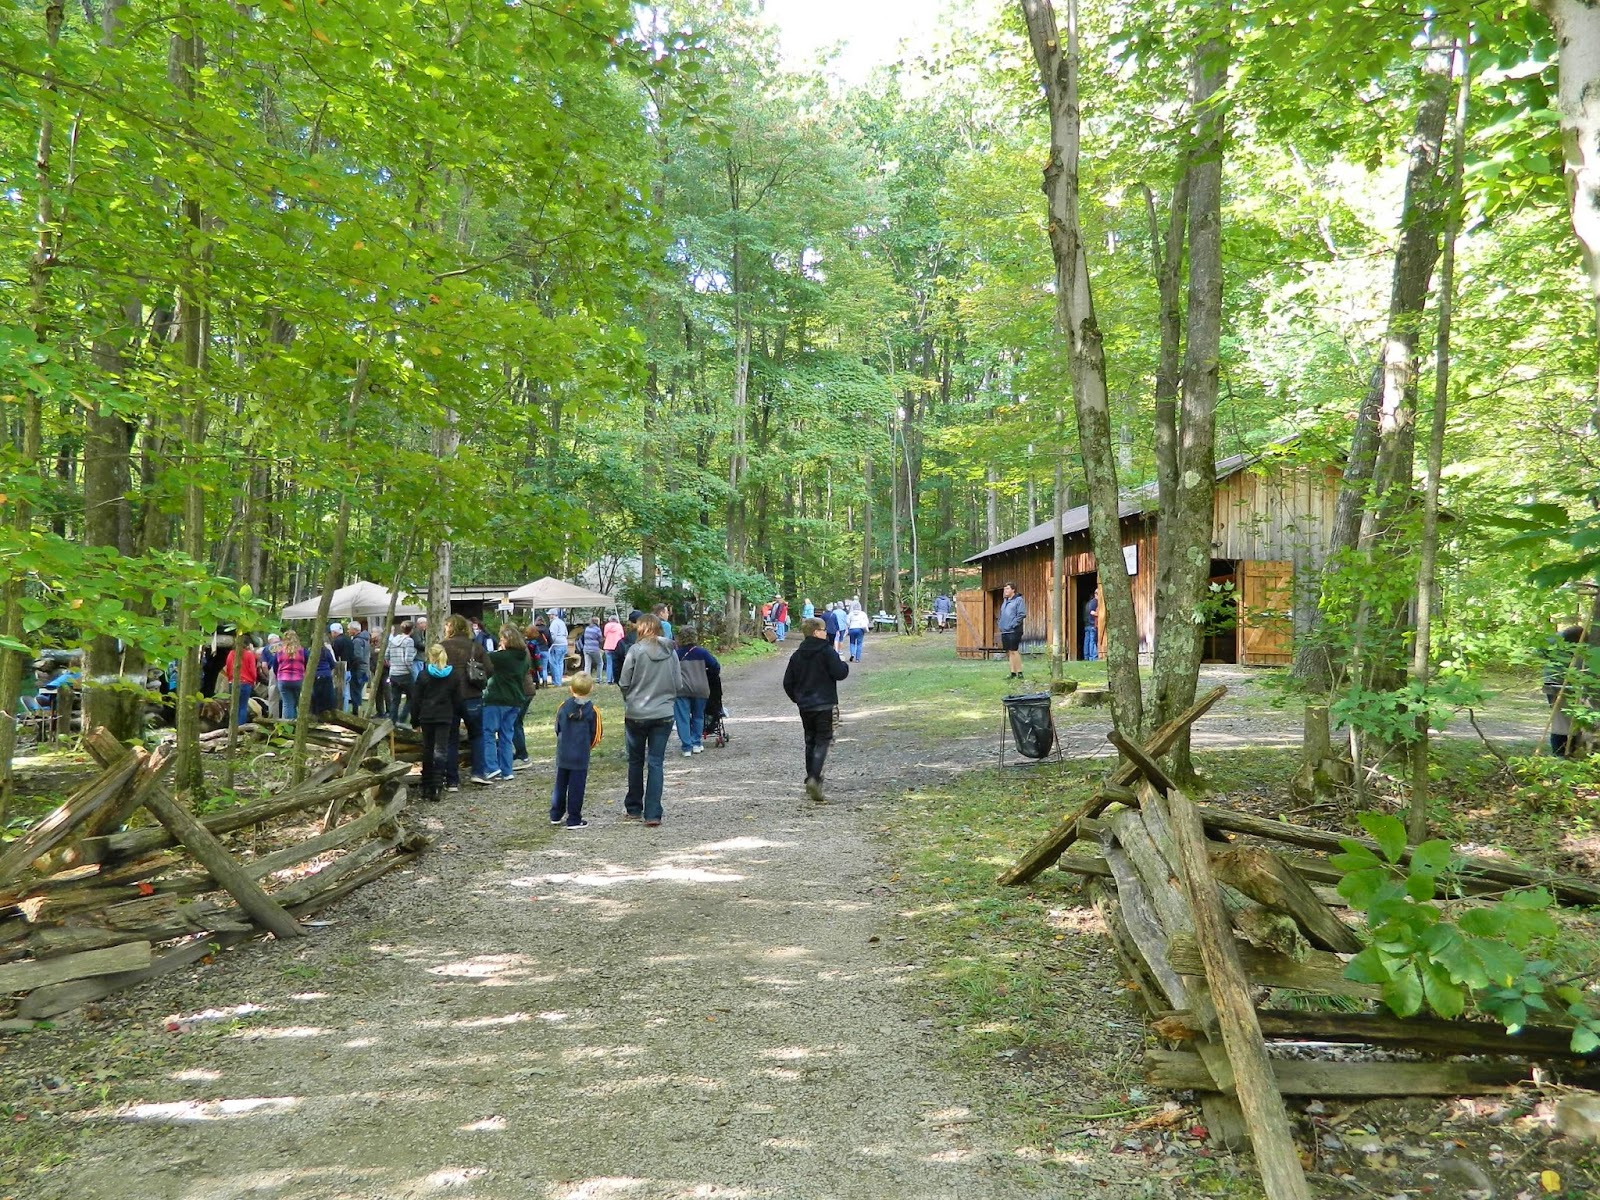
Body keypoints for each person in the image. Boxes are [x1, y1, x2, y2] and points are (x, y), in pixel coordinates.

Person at [618, 612, 682, 827]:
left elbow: (624, 682)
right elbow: (678, 683)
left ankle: (634, 807)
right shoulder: (671, 652)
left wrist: (631, 698)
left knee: (635, 761)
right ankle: (653, 812)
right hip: (663, 713)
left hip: (636, 713)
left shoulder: (635, 651)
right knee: (656, 762)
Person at [784, 616, 850, 803]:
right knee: (823, 740)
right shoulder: (826, 651)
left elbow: (788, 682)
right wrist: (843, 664)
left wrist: (798, 698)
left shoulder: (797, 655)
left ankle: (810, 777)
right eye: (823, 630)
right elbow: (840, 673)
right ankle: (815, 777)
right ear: (815, 632)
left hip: (805, 706)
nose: (826, 633)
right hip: (825, 703)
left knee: (810, 740)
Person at [441, 614, 492, 787]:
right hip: (472, 695)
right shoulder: (475, 647)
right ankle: (478, 772)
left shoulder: (442, 647)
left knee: (451, 739)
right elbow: (489, 669)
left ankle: (452, 780)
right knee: (477, 735)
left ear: (449, 627)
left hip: (449, 697)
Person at [412, 644, 464, 802]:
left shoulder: (423, 675)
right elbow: (458, 700)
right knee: (441, 750)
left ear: (430, 656)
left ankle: (426, 784)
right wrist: (456, 715)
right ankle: (437, 785)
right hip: (445, 716)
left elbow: (416, 700)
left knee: (428, 749)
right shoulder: (453, 675)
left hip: (427, 716)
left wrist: (414, 720)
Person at [551, 672, 601, 829]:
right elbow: (597, 734)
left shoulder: (563, 706)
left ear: (571, 688)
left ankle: (555, 814)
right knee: (577, 787)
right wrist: (587, 747)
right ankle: (573, 818)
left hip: (564, 752)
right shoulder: (593, 710)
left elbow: (557, 727)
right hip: (581, 754)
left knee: (560, 784)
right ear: (591, 688)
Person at [481, 625, 530, 782]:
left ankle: (491, 767)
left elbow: (484, 657)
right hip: (515, 700)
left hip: (497, 698)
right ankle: (507, 770)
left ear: (508, 640)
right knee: (506, 736)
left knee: (488, 733)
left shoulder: (501, 657)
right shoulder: (523, 657)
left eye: (502, 638)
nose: (500, 641)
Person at [674, 626, 721, 757]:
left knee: (682, 718)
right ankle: (696, 743)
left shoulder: (676, 654)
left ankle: (686, 747)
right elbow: (716, 667)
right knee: (698, 716)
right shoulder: (702, 653)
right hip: (701, 688)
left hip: (682, 689)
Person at [1545, 625, 1585, 758]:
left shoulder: (1585, 646)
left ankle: (1568, 752)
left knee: (1571, 721)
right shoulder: (1554, 640)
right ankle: (1561, 753)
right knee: (1562, 722)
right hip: (1556, 684)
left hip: (1572, 684)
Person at [222, 636, 259, 726]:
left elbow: (228, 667)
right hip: (246, 683)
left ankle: (232, 726)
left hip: (233, 682)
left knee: (234, 706)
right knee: (243, 706)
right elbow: (253, 671)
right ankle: (240, 727)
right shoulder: (250, 655)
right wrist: (254, 680)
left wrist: (230, 678)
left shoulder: (231, 653)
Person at [386, 620, 417, 726]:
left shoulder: (393, 640)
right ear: (411, 630)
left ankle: (392, 721)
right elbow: (408, 660)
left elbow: (386, 655)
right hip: (405, 674)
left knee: (395, 699)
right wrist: (411, 670)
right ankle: (402, 718)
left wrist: (393, 665)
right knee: (412, 697)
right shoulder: (409, 641)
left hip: (394, 673)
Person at [274, 630, 307, 720]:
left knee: (287, 703)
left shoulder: (279, 652)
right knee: (297, 703)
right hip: (298, 679)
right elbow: (307, 664)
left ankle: (288, 724)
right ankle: (297, 722)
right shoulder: (302, 651)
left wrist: (278, 676)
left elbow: (275, 666)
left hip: (283, 679)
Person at [998, 582, 1027, 680]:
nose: (1005, 591)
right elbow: (1002, 614)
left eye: (1007, 589)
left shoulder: (1018, 600)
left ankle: (1020, 673)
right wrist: (1000, 624)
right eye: (1004, 589)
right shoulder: (1005, 601)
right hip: (1005, 630)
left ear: (1013, 590)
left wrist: (1013, 625)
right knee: (1009, 652)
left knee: (1014, 650)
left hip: (1014, 630)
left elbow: (1021, 614)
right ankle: (1013, 673)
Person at [310, 628, 338, 715]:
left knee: (316, 697)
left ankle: (316, 713)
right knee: (328, 697)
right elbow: (332, 663)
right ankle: (328, 713)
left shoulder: (310, 652)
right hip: (326, 675)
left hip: (315, 676)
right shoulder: (326, 651)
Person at [330, 622, 355, 711]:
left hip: (340, 670)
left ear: (334, 632)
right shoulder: (349, 640)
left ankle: (339, 709)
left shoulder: (337, 642)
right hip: (349, 669)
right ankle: (345, 709)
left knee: (339, 692)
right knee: (346, 692)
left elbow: (335, 656)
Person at [349, 619, 371, 713]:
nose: (348, 631)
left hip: (358, 669)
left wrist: (351, 666)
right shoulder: (365, 640)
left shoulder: (357, 641)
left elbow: (357, 656)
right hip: (365, 668)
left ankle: (356, 712)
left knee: (355, 691)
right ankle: (359, 710)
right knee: (359, 690)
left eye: (349, 629)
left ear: (354, 630)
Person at [546, 608, 569, 687]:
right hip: (564, 644)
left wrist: (549, 644)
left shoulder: (554, 623)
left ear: (553, 615)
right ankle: (559, 681)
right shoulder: (562, 622)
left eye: (549, 615)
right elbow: (566, 634)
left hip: (556, 645)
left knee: (554, 663)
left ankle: (556, 682)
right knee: (560, 663)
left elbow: (553, 635)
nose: (548, 616)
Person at [602, 612, 626, 684]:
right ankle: (615, 678)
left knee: (609, 663)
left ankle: (608, 679)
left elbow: (605, 634)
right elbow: (622, 636)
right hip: (616, 646)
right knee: (616, 663)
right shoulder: (619, 626)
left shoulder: (607, 625)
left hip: (607, 646)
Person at [1083, 592, 1100, 661]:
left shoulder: (1087, 604)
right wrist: (1099, 614)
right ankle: (1092, 656)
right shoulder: (1095, 602)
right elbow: (1092, 612)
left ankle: (1086, 656)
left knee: (1087, 640)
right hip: (1092, 624)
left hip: (1087, 624)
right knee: (1092, 641)